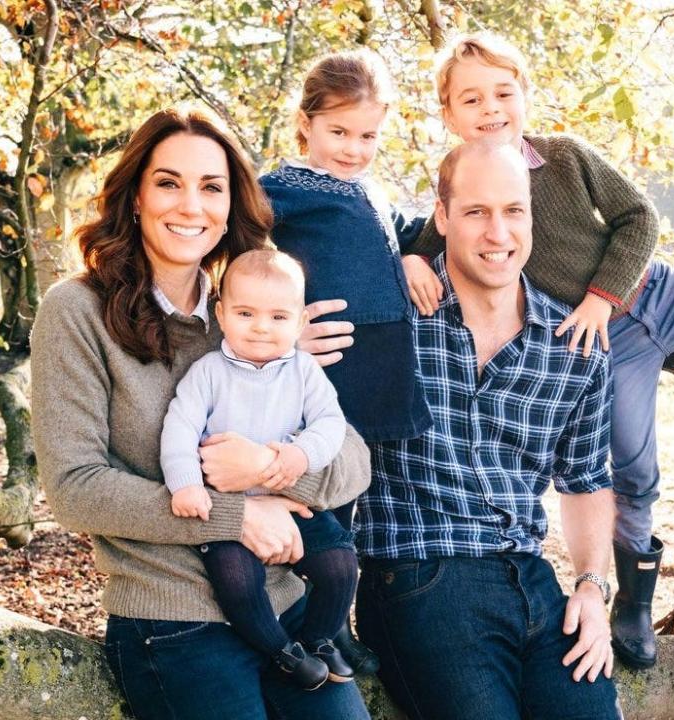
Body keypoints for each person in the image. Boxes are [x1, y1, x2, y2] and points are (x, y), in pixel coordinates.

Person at [400, 33, 674, 669]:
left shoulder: (563, 157)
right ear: (448, 114)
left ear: (525, 95)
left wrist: (601, 295)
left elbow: (638, 217)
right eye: (471, 99)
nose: (491, 108)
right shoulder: (463, 186)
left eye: (504, 92)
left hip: (656, 292)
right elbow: (433, 238)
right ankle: (635, 606)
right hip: (607, 346)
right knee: (633, 470)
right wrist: (409, 259)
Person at [31, 106, 371, 720]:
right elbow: (75, 489)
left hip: (286, 602)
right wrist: (235, 517)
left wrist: (269, 464)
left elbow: (352, 461)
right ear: (134, 196)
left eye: (211, 187)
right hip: (173, 620)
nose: (191, 206)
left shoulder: (250, 314)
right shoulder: (76, 311)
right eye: (168, 182)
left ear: (230, 205)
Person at [355, 140, 622, 719]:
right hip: (419, 572)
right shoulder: (391, 321)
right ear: (443, 216)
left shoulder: (572, 347)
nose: (498, 233)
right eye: (476, 212)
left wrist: (593, 588)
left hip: (532, 579)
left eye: (513, 211)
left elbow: (586, 480)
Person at [259, 49, 433, 672]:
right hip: (329, 365)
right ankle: (315, 622)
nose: (354, 148)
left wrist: (413, 255)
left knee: (353, 498)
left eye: (368, 135)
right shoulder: (280, 190)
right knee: (320, 498)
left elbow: (404, 230)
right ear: (305, 123)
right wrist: (279, 327)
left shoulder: (370, 188)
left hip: (380, 365)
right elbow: (238, 258)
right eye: (339, 132)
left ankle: (336, 620)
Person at [160, 248, 358, 690]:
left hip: (287, 503)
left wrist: (299, 455)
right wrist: (186, 484)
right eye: (245, 312)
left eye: (278, 317)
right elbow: (179, 428)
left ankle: (318, 638)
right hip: (227, 511)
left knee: (340, 563)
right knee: (236, 580)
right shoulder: (207, 372)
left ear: (300, 322)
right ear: (222, 314)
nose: (261, 327)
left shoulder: (305, 372)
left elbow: (330, 425)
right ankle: (280, 652)